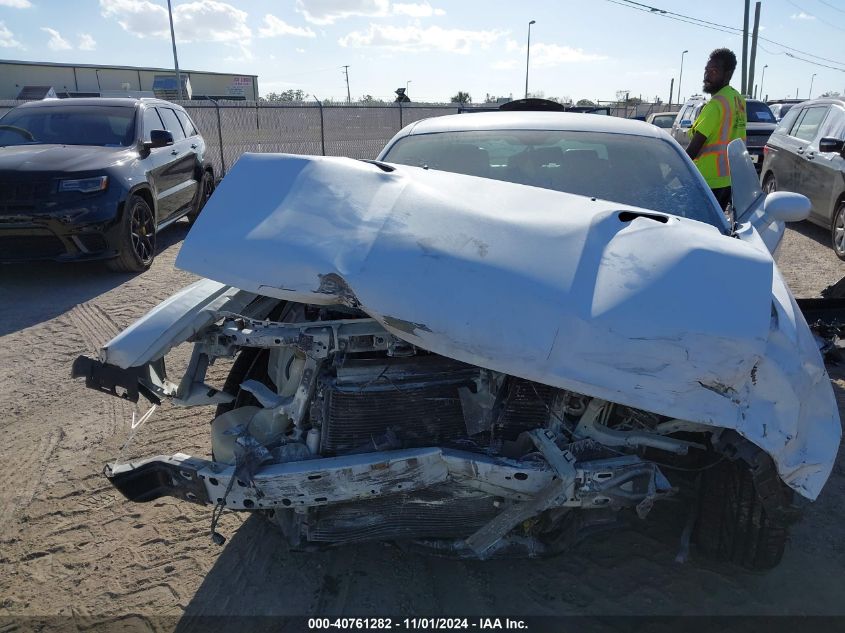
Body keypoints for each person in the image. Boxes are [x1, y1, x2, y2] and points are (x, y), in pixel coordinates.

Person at [685, 48, 747, 212]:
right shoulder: (737, 99)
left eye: (714, 71)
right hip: (729, 178)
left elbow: (694, 147)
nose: (707, 76)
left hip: (708, 179)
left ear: (728, 74)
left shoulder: (716, 104)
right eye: (706, 70)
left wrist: (675, 172)